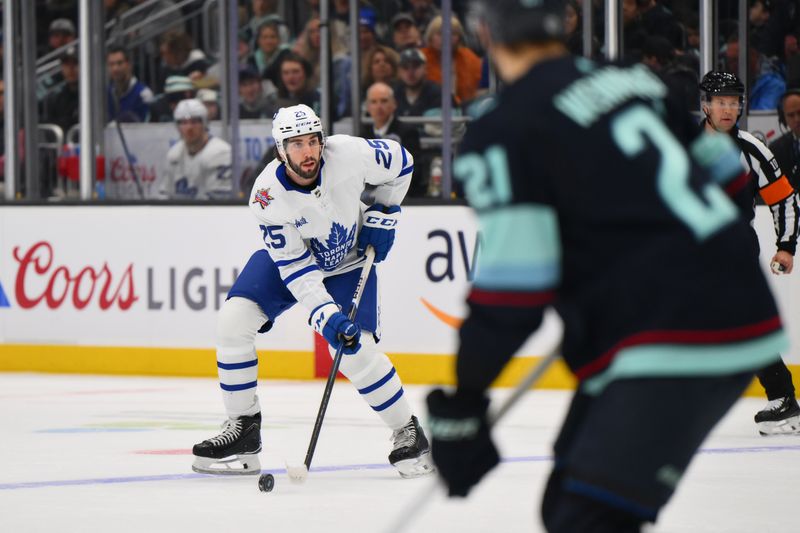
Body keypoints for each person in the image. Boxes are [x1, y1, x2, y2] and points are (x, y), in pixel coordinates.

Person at [425, 1, 790, 531]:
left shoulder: (503, 130)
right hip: (728, 309)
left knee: (586, 517)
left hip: (670, 336)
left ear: (484, 32)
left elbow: (512, 297)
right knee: (568, 498)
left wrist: (464, 403)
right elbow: (729, 181)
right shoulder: (630, 81)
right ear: (566, 23)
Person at [191, 103, 434, 480]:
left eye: (312, 141)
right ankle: (243, 430)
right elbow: (296, 269)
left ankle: (409, 433)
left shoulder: (350, 154)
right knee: (233, 321)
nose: (308, 152)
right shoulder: (267, 197)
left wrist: (385, 212)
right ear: (280, 151)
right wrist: (326, 317)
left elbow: (402, 162)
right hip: (295, 260)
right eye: (297, 144)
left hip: (350, 260)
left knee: (356, 353)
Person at [700, 71, 800, 435]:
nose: (728, 109)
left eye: (734, 102)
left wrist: (786, 246)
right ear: (705, 105)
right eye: (721, 101)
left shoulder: (752, 149)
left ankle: (783, 397)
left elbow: (784, 198)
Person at [159, 99, 232, 200]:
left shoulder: (221, 153)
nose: (189, 128)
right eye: (183, 123)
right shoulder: (174, 155)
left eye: (194, 122)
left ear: (205, 124)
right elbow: (165, 195)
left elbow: (219, 201)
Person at [363, 82, 425, 197]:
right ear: (368, 107)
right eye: (374, 102)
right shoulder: (363, 136)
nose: (379, 106)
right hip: (369, 195)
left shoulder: (407, 132)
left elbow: (414, 170)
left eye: (384, 101)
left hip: (402, 196)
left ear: (394, 104)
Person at [106, 44, 155, 123]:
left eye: (119, 63)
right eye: (111, 64)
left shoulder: (144, 95)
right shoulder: (106, 94)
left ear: (129, 65)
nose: (115, 68)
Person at [392, 48, 443, 118]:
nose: (410, 72)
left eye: (415, 66)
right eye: (405, 67)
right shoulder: (394, 93)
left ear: (425, 69)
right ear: (399, 71)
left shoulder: (438, 94)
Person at [769, 88, 800, 189]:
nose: (797, 119)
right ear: (783, 119)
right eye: (791, 115)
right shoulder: (776, 149)